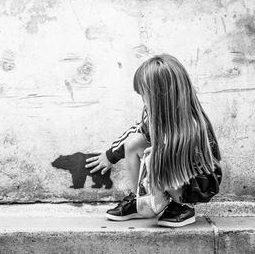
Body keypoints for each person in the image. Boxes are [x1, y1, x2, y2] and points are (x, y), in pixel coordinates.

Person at [85, 54, 221, 228]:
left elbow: (193, 166)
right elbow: (135, 132)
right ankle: (140, 200)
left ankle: (182, 206)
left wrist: (158, 154)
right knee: (135, 142)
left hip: (195, 186)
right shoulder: (156, 117)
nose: (144, 101)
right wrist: (110, 155)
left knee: (157, 156)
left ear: (162, 96)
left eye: (145, 96)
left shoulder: (193, 125)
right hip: (171, 176)